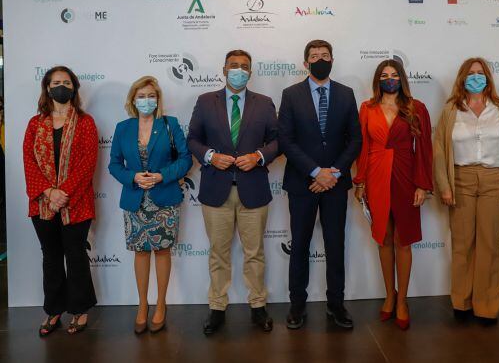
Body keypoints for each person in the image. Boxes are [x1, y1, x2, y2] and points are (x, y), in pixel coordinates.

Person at [187, 49, 279, 335]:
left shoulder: (264, 103)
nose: (239, 70)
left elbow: (277, 141)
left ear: (250, 72)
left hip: (254, 190)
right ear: (224, 70)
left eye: (245, 66)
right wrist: (211, 156)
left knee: (254, 253)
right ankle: (217, 308)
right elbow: (193, 139)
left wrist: (259, 157)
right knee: (218, 253)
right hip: (216, 189)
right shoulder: (205, 101)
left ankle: (258, 306)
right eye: (234, 66)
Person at [278, 39, 362, 330]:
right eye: (314, 56)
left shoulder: (346, 93)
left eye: (325, 55)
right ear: (305, 63)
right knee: (300, 245)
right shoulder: (291, 95)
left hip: (336, 185)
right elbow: (286, 140)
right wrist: (316, 172)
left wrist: (334, 173)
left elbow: (355, 139)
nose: (320, 59)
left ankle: (336, 305)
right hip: (303, 183)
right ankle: (297, 305)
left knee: (335, 245)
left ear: (332, 60)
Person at [433, 57, 499, 325]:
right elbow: (439, 151)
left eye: (480, 73)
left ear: (488, 78)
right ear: (462, 78)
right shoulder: (451, 109)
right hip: (460, 179)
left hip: (494, 180)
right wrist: (445, 185)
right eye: (471, 73)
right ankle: (461, 302)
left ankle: (486, 306)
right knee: (462, 245)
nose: (476, 77)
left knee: (490, 245)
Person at [353, 59, 433, 330]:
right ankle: (389, 295)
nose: (390, 79)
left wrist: (422, 184)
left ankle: (403, 301)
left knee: (404, 239)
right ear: (378, 80)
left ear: (402, 79)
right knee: (384, 238)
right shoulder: (367, 108)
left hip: (406, 175)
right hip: (375, 175)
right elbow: (363, 147)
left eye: (395, 75)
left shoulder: (416, 107)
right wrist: (360, 181)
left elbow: (423, 149)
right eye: (385, 75)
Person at [109, 76, 192, 334]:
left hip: (164, 199)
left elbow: (186, 159)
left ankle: (161, 305)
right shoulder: (123, 127)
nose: (147, 100)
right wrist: (132, 177)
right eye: (141, 96)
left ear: (158, 99)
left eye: (151, 96)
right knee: (141, 252)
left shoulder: (170, 124)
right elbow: (113, 164)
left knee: (163, 252)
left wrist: (162, 176)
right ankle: (142, 305)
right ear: (133, 100)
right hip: (135, 201)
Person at [23, 66, 98, 336]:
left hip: (76, 202)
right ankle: (54, 310)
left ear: (74, 88)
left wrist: (63, 193)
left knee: (76, 256)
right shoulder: (35, 123)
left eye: (66, 82)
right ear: (47, 87)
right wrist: (48, 192)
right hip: (42, 204)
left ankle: (80, 310)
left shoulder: (86, 122)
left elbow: (87, 162)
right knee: (51, 258)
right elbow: (28, 161)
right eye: (56, 82)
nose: (61, 87)